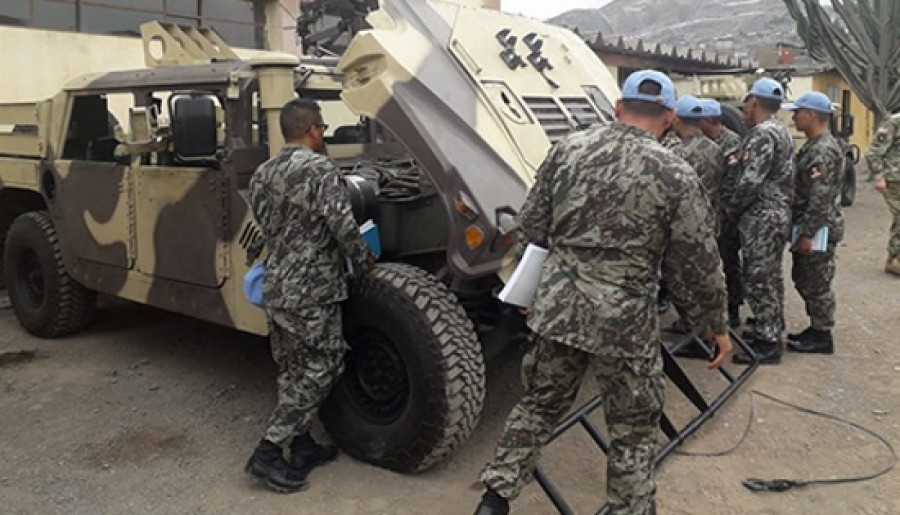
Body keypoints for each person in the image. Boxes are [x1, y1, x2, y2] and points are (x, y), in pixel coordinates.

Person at [473, 70, 732, 515]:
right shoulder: (675, 171)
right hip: (625, 322)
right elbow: (697, 261)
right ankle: (631, 506)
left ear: (617, 107)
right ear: (670, 116)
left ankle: (494, 501)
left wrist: (532, 289)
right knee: (632, 425)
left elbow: (532, 227)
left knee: (538, 406)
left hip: (559, 309)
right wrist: (715, 325)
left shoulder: (567, 150)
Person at [245, 99, 374, 493]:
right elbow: (342, 225)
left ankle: (302, 447)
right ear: (314, 130)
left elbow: (266, 230)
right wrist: (365, 261)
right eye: (322, 128)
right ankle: (268, 451)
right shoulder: (319, 170)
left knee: (292, 369)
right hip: (313, 291)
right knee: (325, 364)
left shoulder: (263, 173)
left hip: (278, 285)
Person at [727, 78, 795, 365]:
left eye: (746, 102)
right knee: (772, 275)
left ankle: (768, 342)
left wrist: (731, 208)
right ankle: (771, 326)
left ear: (754, 101)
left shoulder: (761, 134)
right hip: (777, 213)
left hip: (762, 216)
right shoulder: (782, 130)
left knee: (758, 276)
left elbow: (750, 181)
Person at [783, 92, 844, 354]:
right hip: (810, 224)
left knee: (816, 280)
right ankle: (817, 327)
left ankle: (822, 334)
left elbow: (820, 197)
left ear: (811, 114)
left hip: (818, 227)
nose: (794, 117)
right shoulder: (814, 145)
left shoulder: (822, 150)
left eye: (797, 112)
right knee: (805, 276)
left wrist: (808, 233)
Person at [699, 99, 745, 327]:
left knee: (728, 262)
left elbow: (733, 181)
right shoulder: (703, 142)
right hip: (707, 214)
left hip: (725, 215)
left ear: (708, 120)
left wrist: (727, 211)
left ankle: (733, 307)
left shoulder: (731, 142)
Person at [866, 112, 900, 276]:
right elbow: (874, 151)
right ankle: (895, 260)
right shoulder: (894, 122)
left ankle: (894, 258)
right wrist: (879, 177)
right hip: (894, 178)